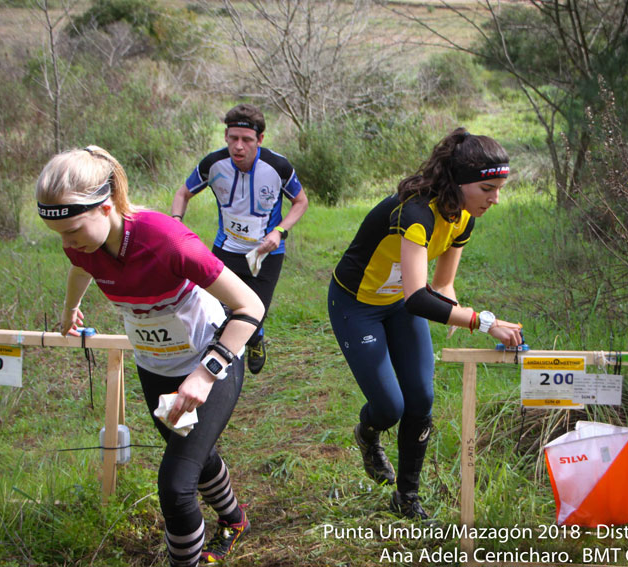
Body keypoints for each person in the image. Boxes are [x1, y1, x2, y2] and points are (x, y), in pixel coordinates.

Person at [36, 146, 265, 566]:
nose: (68, 244)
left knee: (176, 486)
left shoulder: (168, 241)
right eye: (60, 236)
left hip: (208, 357)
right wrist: (69, 311)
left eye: (73, 231)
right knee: (196, 453)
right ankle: (234, 520)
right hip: (155, 365)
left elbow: (250, 306)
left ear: (106, 207)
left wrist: (205, 373)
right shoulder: (83, 243)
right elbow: (81, 266)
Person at [327, 128, 523, 521]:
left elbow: (441, 284)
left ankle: (407, 496)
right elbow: (418, 296)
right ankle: (368, 433)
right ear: (461, 181)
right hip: (357, 304)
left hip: (400, 305)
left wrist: (450, 300)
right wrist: (483, 322)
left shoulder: (463, 217)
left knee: (421, 399)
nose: (495, 199)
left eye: (500, 188)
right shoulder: (415, 213)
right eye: (488, 188)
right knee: (389, 406)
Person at [172, 104, 308, 375]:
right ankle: (217, 365)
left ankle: (255, 337)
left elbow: (301, 202)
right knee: (218, 311)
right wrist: (175, 225)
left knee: (253, 312)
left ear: (260, 140)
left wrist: (279, 231)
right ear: (225, 136)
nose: (239, 146)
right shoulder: (213, 164)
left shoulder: (277, 167)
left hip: (267, 253)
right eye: (233, 138)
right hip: (226, 250)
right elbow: (182, 194)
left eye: (246, 140)